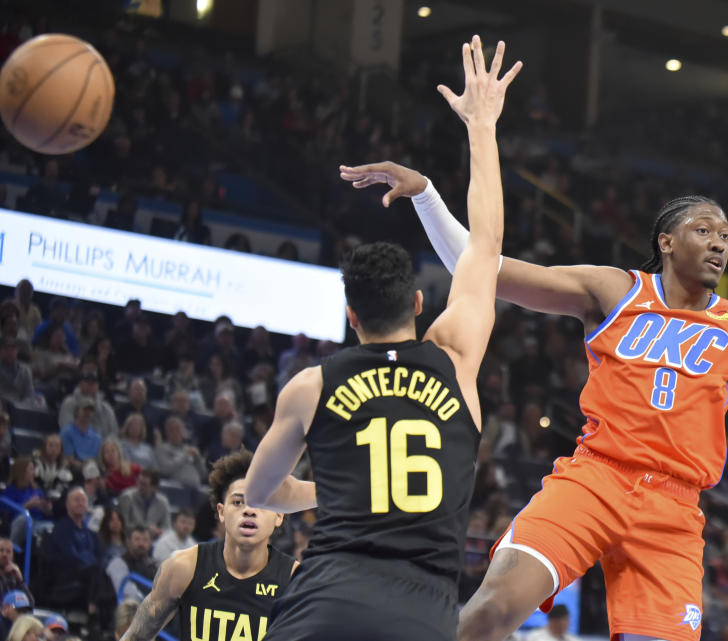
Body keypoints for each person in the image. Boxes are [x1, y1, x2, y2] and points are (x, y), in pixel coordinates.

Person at [342, 134, 728, 641]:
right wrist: (426, 195)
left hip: (674, 506)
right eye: (704, 230)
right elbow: (485, 269)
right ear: (666, 242)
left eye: (726, 237)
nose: (718, 244)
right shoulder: (614, 291)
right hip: (597, 477)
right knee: (493, 609)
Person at [243, 35, 520, 641]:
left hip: (324, 598)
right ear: (420, 304)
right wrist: (481, 125)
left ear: (350, 316)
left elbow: (259, 494)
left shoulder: (310, 386)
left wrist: (342, 490)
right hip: (420, 608)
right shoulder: (456, 356)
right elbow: (486, 244)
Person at [118, 451, 296, 641]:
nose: (249, 511)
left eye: (261, 503)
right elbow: (135, 637)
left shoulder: (297, 581)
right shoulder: (183, 567)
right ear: (221, 512)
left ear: (279, 515)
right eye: (238, 502)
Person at [116, 469, 170, 538]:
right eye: (138, 482)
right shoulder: (127, 498)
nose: (139, 486)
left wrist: (159, 531)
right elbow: (122, 525)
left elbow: (167, 527)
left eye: (144, 484)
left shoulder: (163, 502)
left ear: (154, 487)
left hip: (155, 540)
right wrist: (147, 529)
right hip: (130, 539)